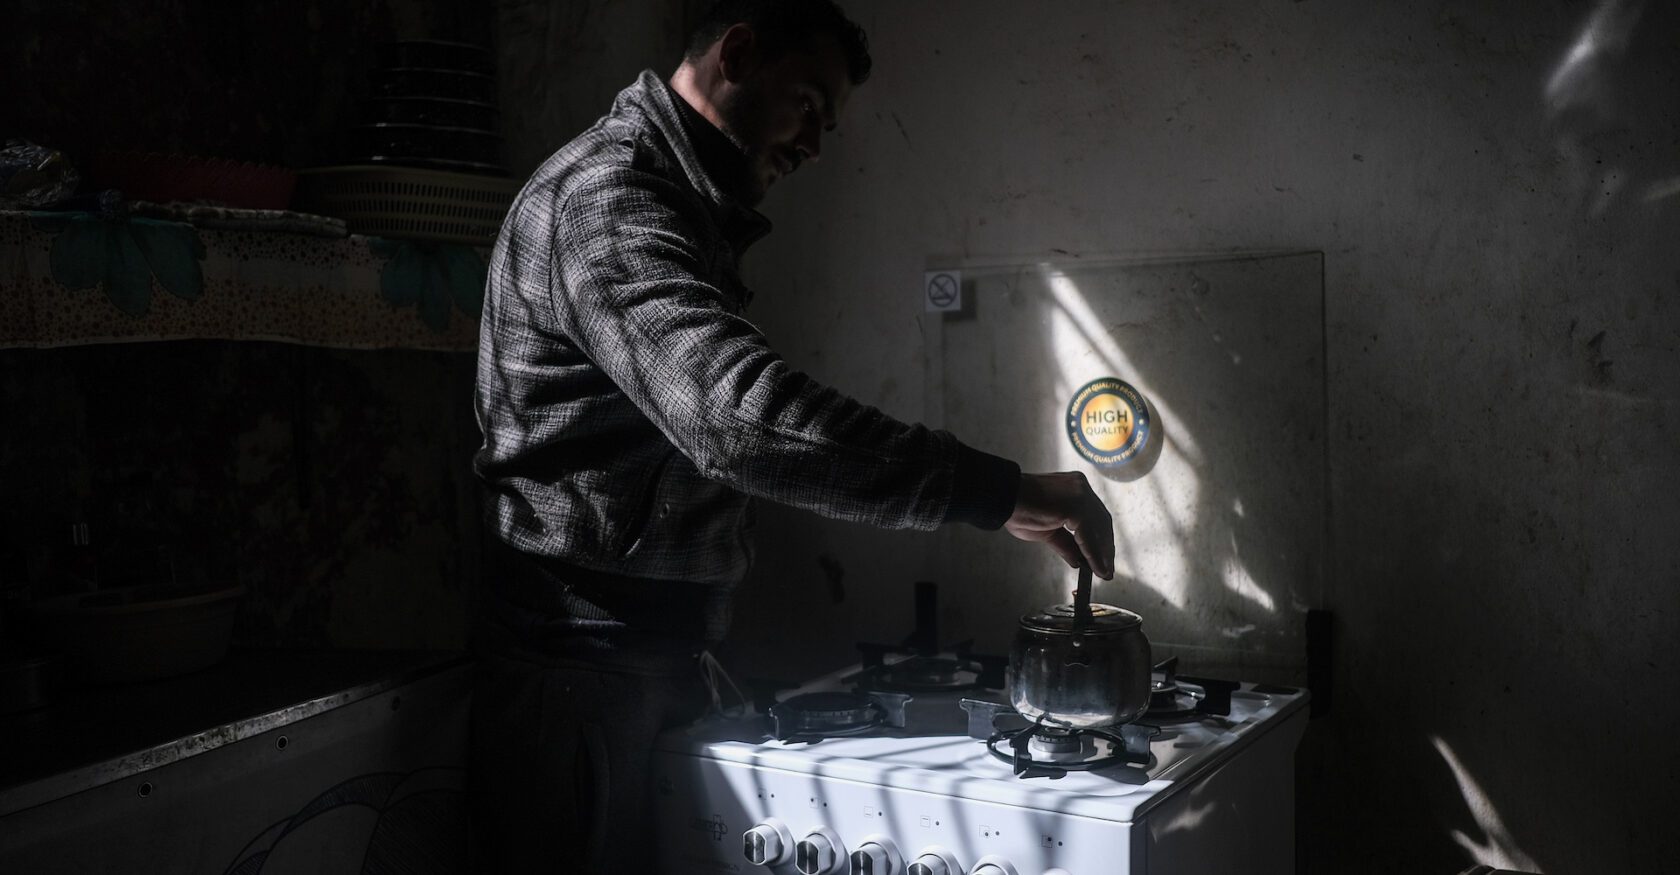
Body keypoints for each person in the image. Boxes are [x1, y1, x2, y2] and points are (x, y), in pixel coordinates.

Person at [469, 1, 1115, 871]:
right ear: (738, 51)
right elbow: (736, 420)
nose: (816, 143)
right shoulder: (605, 201)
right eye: (809, 103)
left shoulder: (675, 205)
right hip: (579, 680)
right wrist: (1001, 492)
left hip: (646, 664)